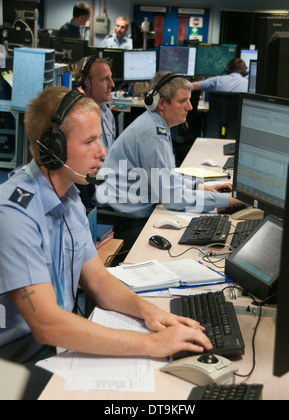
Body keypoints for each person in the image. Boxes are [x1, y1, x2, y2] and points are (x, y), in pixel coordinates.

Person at [0, 86, 212, 376]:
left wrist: (151, 313)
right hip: (16, 358)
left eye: (100, 138)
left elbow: (98, 281)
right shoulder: (14, 214)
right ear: (52, 150)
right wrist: (152, 344)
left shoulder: (69, 195)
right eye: (89, 141)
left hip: (54, 344)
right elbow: (47, 324)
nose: (102, 152)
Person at [93, 72, 241, 244]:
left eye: (189, 99)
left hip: (128, 213)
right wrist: (226, 200)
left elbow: (167, 178)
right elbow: (172, 199)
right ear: (161, 103)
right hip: (122, 223)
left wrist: (199, 186)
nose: (190, 107)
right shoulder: (153, 135)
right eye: (182, 101)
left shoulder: (154, 124)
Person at [74, 55, 117, 208]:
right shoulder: (78, 119)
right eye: (104, 79)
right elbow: (88, 173)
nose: (112, 84)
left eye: (111, 78)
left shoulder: (106, 112)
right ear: (85, 83)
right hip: (99, 189)